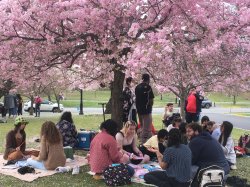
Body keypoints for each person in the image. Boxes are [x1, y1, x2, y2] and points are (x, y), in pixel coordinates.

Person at [135, 73, 154, 143]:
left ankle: (151, 141)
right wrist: (150, 107)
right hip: (146, 110)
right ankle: (142, 143)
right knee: (146, 128)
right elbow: (151, 100)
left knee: (144, 127)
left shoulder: (137, 87)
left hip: (139, 110)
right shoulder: (148, 87)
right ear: (148, 79)